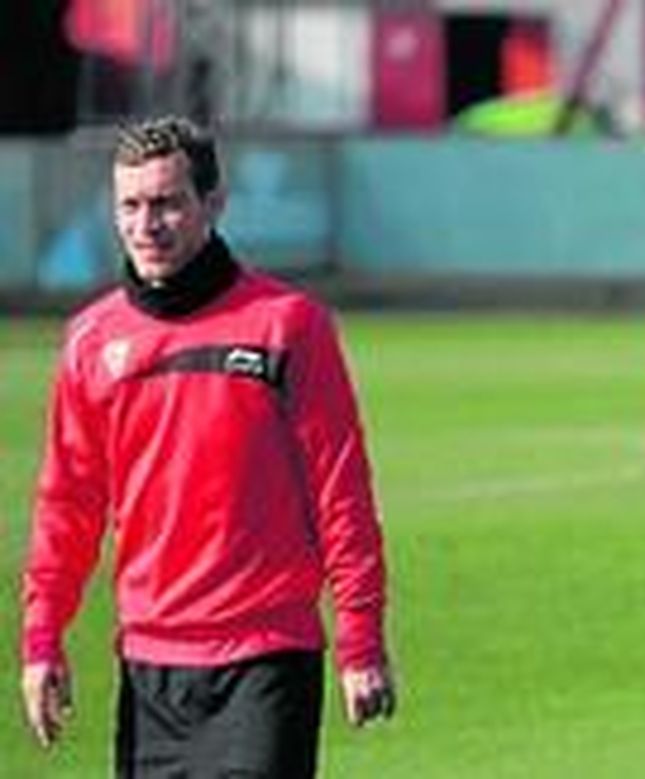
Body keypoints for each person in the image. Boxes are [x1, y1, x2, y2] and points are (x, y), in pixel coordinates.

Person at [19, 116, 395, 777]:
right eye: (130, 206)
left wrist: (359, 639)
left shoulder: (289, 326)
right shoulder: (91, 341)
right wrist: (43, 637)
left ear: (214, 203)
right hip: (149, 670)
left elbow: (342, 492)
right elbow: (67, 505)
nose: (146, 225)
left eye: (166, 203)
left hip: (267, 659)